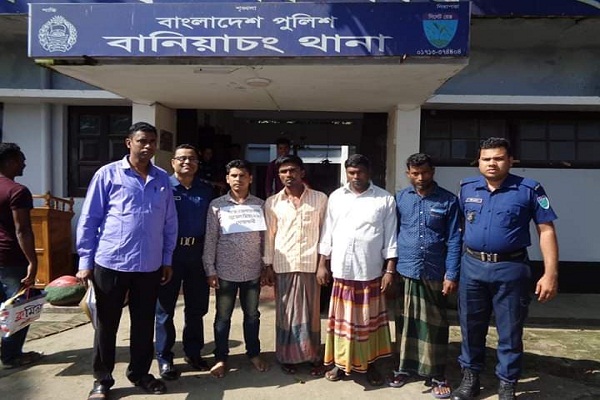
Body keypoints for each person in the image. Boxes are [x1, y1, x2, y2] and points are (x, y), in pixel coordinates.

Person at [76, 122, 177, 399]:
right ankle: (102, 379)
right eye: (142, 141)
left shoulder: (162, 179)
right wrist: (85, 261)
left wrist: (167, 258)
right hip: (111, 262)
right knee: (107, 324)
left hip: (150, 265)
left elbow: (170, 222)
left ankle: (140, 374)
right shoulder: (108, 174)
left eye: (152, 141)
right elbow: (90, 218)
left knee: (143, 324)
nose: (148, 146)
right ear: (129, 142)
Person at [452, 137, 559, 400]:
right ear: (478, 162)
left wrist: (550, 274)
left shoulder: (529, 189)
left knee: (510, 329)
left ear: (511, 161)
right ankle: (470, 377)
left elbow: (546, 230)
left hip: (510, 268)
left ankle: (507, 383)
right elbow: (459, 229)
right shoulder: (467, 188)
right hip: (472, 267)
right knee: (470, 326)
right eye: (486, 159)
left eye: (498, 158)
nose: (492, 163)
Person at [317, 154, 397, 386]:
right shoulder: (336, 197)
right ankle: (341, 363)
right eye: (351, 172)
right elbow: (327, 232)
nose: (355, 176)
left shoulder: (384, 199)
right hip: (342, 272)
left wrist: (389, 270)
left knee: (367, 324)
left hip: (369, 272)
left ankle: (369, 364)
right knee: (343, 324)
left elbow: (391, 237)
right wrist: (322, 264)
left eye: (360, 172)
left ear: (368, 172)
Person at [389, 153, 461, 398]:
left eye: (425, 172)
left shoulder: (448, 200)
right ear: (408, 173)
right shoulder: (400, 199)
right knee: (405, 323)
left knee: (435, 325)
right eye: (415, 173)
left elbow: (454, 239)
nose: (420, 178)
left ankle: (436, 374)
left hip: (434, 272)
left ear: (433, 171)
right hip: (406, 270)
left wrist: (451, 274)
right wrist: (389, 269)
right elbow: (392, 234)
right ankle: (403, 368)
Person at [203, 159, 269, 378]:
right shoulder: (217, 205)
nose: (238, 179)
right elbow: (211, 239)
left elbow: (265, 239)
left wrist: (265, 265)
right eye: (234, 175)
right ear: (227, 179)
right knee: (223, 317)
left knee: (252, 315)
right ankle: (221, 357)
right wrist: (210, 269)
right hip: (225, 272)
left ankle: (254, 354)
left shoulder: (260, 205)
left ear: (250, 178)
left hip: (252, 271)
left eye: (242, 175)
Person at [263, 155, 328, 376]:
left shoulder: (320, 199)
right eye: (283, 172)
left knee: (311, 314)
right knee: (286, 314)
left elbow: (325, 233)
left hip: (311, 265)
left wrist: (323, 263)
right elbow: (269, 236)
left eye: (292, 170)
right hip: (284, 265)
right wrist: (267, 265)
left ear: (302, 172)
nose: (288, 175)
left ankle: (312, 355)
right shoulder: (272, 202)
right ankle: (286, 356)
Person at [154, 144, 213, 381]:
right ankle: (164, 358)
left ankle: (193, 353)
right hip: (170, 255)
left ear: (198, 163)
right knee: (164, 310)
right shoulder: (162, 187)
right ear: (173, 162)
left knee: (196, 308)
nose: (187, 162)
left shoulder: (206, 190)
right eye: (182, 158)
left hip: (197, 254)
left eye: (192, 159)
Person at [0, 143, 42, 369]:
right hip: (11, 258)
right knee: (19, 307)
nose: (24, 164)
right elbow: (22, 230)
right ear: (9, 161)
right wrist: (33, 262)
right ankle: (11, 356)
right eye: (20, 159)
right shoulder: (17, 191)